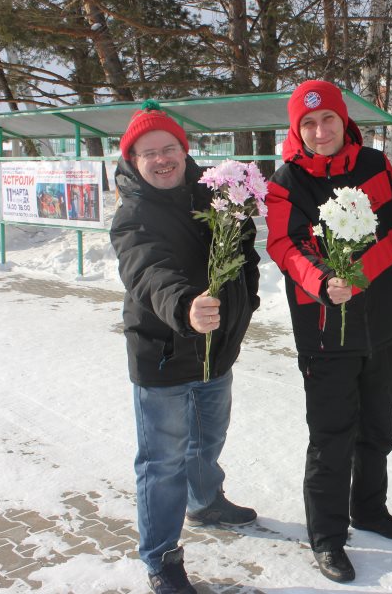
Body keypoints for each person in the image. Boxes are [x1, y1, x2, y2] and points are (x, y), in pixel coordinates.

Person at [266, 80, 392, 583]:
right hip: (325, 326)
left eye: (327, 119)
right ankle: (327, 535)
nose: (319, 130)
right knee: (332, 435)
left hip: (382, 322)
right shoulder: (287, 179)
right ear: (297, 129)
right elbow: (283, 245)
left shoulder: (375, 165)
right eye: (307, 123)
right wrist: (323, 279)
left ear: (342, 119)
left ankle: (369, 509)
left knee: (378, 425)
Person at [110, 100, 260, 594]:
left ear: (184, 149)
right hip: (165, 352)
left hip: (217, 351)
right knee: (163, 461)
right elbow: (147, 271)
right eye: (148, 152)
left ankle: (206, 501)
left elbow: (243, 250)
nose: (161, 159)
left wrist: (246, 299)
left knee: (208, 439)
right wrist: (185, 307)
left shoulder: (215, 192)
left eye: (168, 148)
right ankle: (161, 557)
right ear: (134, 160)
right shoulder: (132, 213)